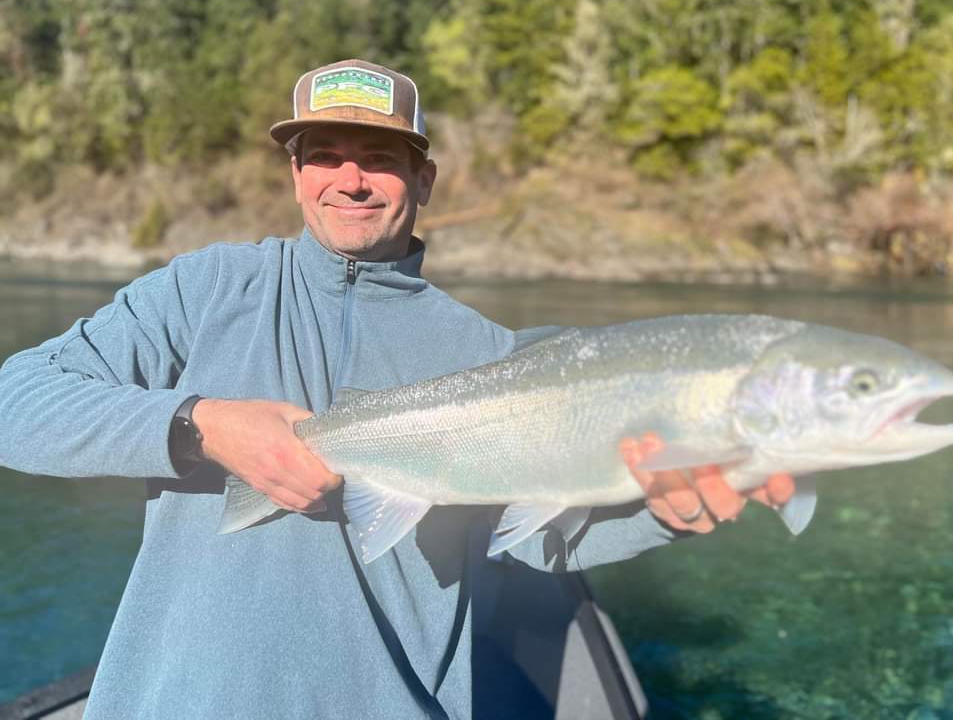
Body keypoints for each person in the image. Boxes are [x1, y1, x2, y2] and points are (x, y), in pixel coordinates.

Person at [0, 58, 792, 719]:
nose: (350, 179)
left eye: (379, 156)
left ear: (424, 178)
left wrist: (662, 513)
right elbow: (17, 403)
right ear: (296, 173)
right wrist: (198, 425)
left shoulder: (491, 355)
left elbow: (543, 537)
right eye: (324, 153)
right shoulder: (204, 288)